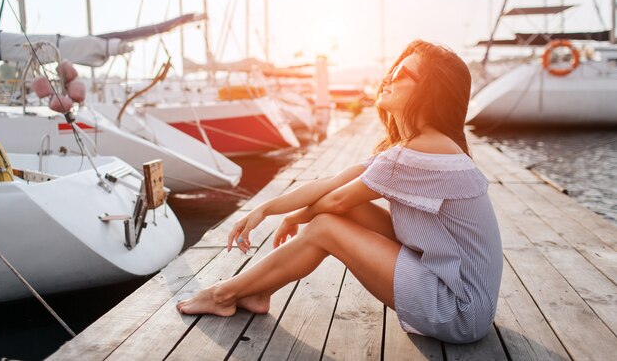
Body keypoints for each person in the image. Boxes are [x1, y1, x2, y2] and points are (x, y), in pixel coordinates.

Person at [176, 39, 503, 344]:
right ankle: (257, 292)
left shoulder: (421, 151)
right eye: (393, 68)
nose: (389, 77)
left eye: (402, 73)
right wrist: (266, 209)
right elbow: (333, 184)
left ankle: (223, 294)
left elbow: (333, 199)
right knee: (338, 213)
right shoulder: (410, 148)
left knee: (326, 226)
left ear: (428, 92)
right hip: (456, 289)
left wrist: (296, 216)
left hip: (459, 308)